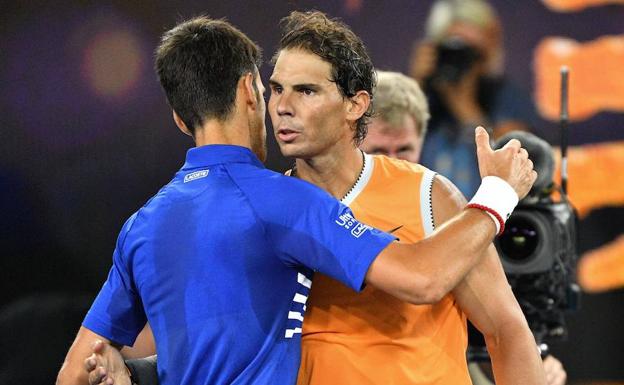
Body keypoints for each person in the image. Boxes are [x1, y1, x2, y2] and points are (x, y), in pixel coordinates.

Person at [76, 12, 540, 385]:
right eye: (276, 88)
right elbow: (206, 344)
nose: (282, 105)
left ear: (355, 105)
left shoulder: (429, 196)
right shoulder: (261, 210)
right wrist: (137, 373)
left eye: (306, 90)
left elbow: (504, 331)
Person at [362, 71, 567, 385]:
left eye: (403, 150)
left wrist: (537, 359)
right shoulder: (326, 210)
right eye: (379, 152)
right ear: (355, 142)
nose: (394, 163)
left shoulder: (447, 211)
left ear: (422, 141)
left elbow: (497, 324)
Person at [409, 0, 539, 197]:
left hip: (490, 218)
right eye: (451, 51)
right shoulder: (421, 98)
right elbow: (383, 149)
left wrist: (463, 105)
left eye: (469, 53)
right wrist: (414, 84)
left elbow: (517, 158)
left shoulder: (504, 95)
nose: (460, 62)